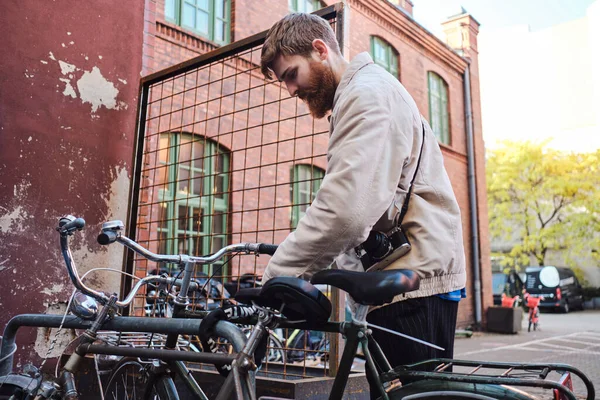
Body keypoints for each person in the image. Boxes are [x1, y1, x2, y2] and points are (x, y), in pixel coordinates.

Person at [259, 13, 466, 396]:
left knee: (416, 394)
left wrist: (277, 277)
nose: (289, 89)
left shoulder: (366, 95)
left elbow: (345, 211)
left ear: (320, 50)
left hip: (413, 282)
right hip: (407, 275)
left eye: (291, 74)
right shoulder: (361, 95)